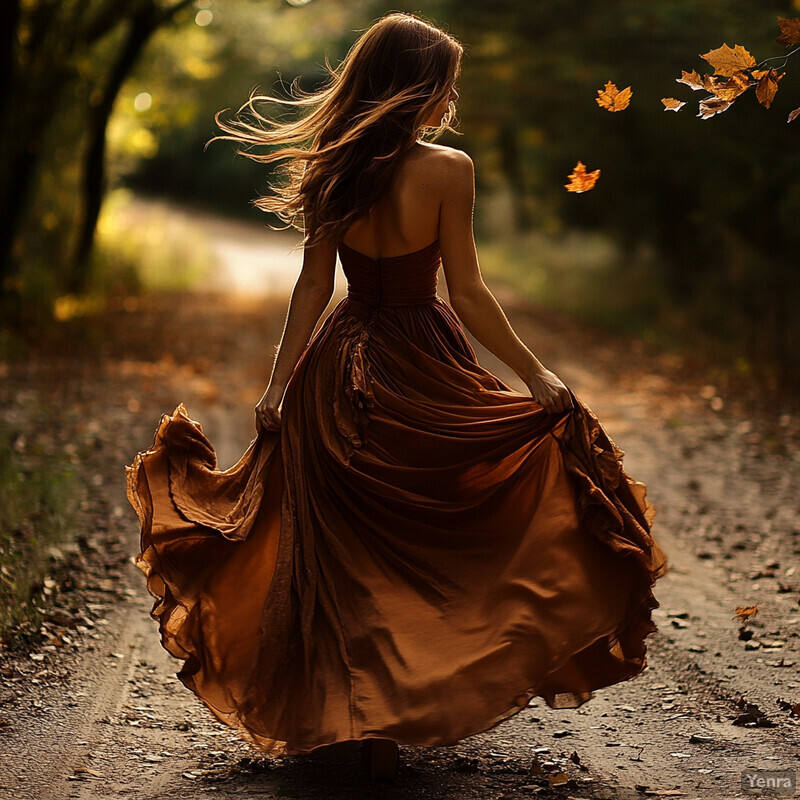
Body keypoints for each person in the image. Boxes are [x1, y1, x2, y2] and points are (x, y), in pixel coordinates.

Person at [126, 11, 669, 784]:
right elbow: (469, 294)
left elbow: (315, 288)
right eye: (445, 84)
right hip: (420, 359)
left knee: (343, 549)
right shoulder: (450, 169)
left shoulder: (334, 166)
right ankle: (402, 695)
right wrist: (534, 376)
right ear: (418, 87)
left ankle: (357, 720)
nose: (451, 99)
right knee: (429, 529)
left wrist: (279, 385)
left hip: (334, 370)